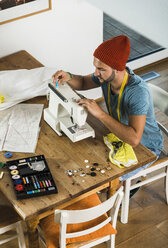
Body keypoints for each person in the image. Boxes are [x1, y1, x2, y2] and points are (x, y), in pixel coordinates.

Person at [52, 35, 163, 193]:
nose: (96, 73)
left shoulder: (137, 92)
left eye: (101, 69)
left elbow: (134, 139)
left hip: (146, 147)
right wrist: (68, 76)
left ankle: (126, 188)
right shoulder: (105, 77)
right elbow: (83, 82)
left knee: (102, 185)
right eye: (96, 67)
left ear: (118, 68)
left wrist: (101, 114)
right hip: (119, 135)